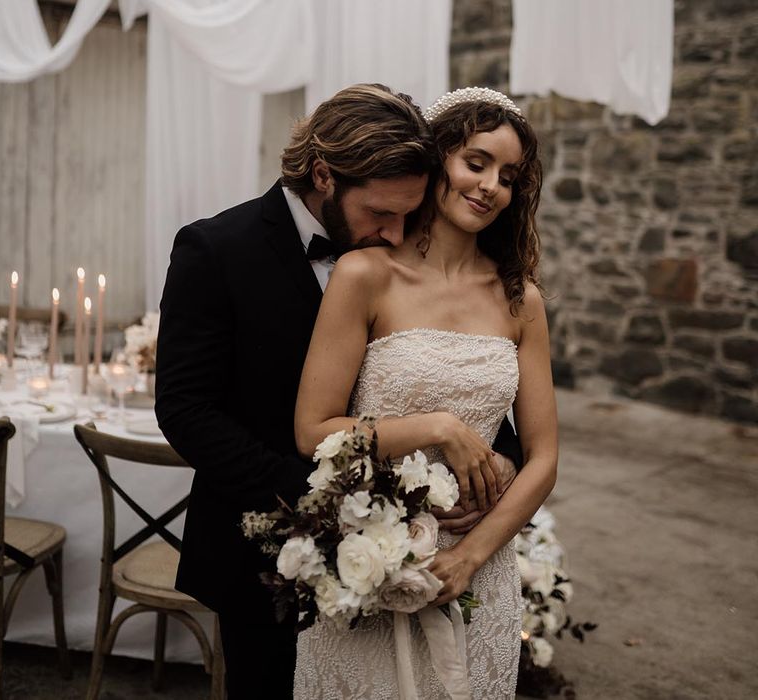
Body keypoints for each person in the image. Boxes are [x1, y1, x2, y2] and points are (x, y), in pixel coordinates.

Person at [154, 84, 522, 699]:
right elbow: (186, 410)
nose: (395, 230)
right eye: (381, 213)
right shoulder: (216, 249)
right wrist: (328, 504)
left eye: (407, 213)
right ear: (324, 175)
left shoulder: (402, 252)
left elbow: (452, 368)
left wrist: (497, 454)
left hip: (414, 553)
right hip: (264, 554)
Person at [293, 87, 558, 698]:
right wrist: (441, 427)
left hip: (479, 567)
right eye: (477, 162)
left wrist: (471, 559)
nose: (492, 185)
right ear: (437, 159)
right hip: (371, 553)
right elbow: (314, 430)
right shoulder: (365, 275)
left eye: (509, 175)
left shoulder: (522, 299)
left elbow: (544, 459)